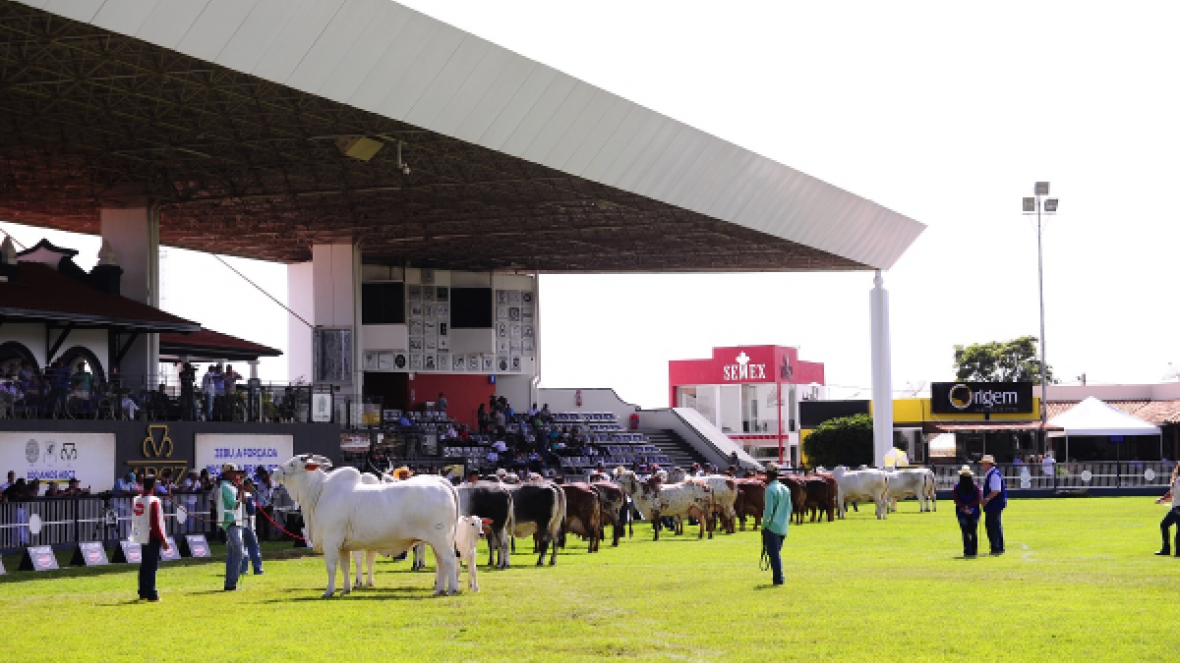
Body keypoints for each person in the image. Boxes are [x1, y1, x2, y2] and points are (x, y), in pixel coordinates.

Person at [131, 474, 170, 602]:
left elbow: (142, 516)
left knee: (144, 564)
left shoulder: (137, 499)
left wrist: (160, 517)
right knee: (152, 565)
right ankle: (152, 593)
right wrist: (163, 540)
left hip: (141, 534)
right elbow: (155, 524)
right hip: (152, 536)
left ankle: (143, 591)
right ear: (154, 486)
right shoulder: (154, 501)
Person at [760, 462, 792, 586]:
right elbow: (789, 508)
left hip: (772, 527)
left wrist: (763, 526)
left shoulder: (769, 490)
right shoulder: (785, 489)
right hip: (783, 527)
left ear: (767, 475)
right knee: (776, 553)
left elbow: (767, 512)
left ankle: (778, 579)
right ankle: (778, 578)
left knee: (774, 555)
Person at [217, 463, 246, 591]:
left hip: (237, 522)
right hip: (231, 522)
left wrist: (241, 489)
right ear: (228, 473)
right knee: (238, 552)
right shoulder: (226, 487)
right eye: (235, 472)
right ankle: (231, 583)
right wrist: (240, 490)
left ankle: (230, 584)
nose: (237, 475)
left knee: (233, 554)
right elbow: (235, 504)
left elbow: (244, 501)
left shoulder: (232, 486)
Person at [979, 455, 1007, 555]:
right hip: (994, 503)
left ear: (988, 464)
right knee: (995, 525)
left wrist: (986, 499)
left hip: (994, 504)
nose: (982, 465)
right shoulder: (991, 473)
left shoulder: (994, 474)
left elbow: (996, 490)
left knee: (992, 525)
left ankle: (996, 548)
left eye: (983, 463)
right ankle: (998, 547)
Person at [952, 465, 982, 557]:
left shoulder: (957, 487)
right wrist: (970, 507)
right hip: (974, 511)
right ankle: (974, 551)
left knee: (965, 532)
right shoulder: (975, 486)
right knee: (973, 532)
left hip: (961, 512)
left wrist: (964, 507)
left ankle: (967, 551)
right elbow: (978, 499)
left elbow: (956, 500)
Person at [1153, 463, 1180, 556]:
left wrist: (1162, 499)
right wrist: (1163, 499)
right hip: (1177, 508)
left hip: (1176, 508)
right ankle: (1176, 551)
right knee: (1167, 525)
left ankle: (1167, 549)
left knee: (1165, 525)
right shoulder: (1177, 481)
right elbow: (1173, 494)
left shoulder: (1176, 480)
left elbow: (1172, 494)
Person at [239, 479, 264, 575]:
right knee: (254, 547)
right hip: (248, 524)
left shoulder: (238, 494)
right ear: (245, 486)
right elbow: (251, 510)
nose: (253, 488)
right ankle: (258, 569)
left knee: (243, 547)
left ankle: (243, 570)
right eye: (251, 485)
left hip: (239, 523)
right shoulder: (248, 496)